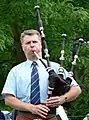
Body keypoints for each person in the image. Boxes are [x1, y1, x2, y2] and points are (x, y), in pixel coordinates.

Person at [2, 29, 81, 120]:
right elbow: (8, 99)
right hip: (24, 116)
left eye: (35, 42)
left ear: (41, 44)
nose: (32, 45)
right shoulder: (15, 71)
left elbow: (76, 89)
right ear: (22, 47)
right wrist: (31, 108)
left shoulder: (55, 67)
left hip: (50, 115)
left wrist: (63, 98)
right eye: (28, 43)